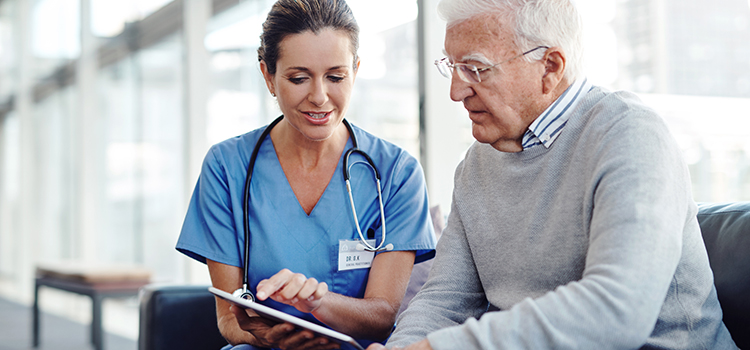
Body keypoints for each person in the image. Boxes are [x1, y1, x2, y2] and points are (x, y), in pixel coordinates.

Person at [369, 0, 739, 349]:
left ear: (550, 67)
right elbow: (443, 303)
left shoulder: (630, 134)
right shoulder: (476, 166)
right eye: (452, 67)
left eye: (476, 69)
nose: (455, 91)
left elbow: (618, 309)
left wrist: (437, 347)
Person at [176, 1, 436, 349]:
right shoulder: (226, 167)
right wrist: (270, 339)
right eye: (299, 78)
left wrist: (317, 304)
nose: (319, 97)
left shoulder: (396, 173)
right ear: (268, 75)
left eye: (336, 77)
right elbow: (228, 318)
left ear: (355, 72)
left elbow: (383, 315)